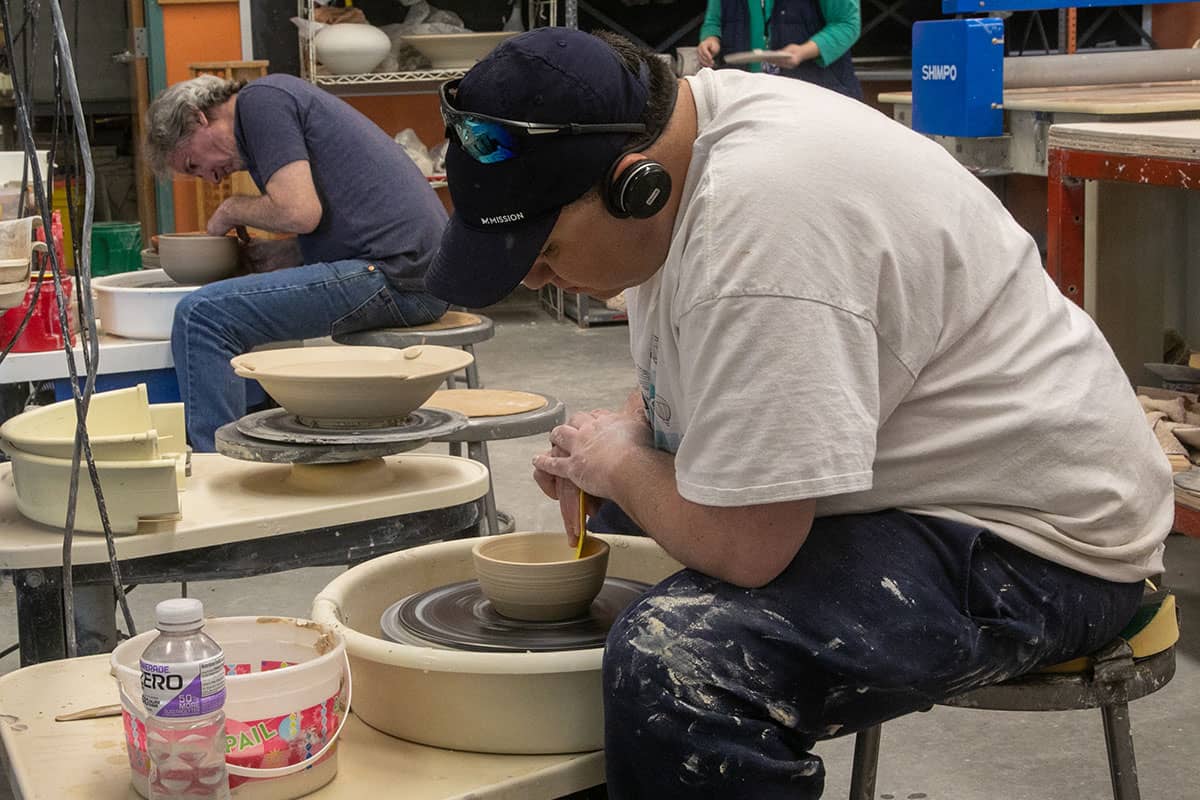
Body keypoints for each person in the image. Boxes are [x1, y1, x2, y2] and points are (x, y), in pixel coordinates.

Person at [424, 28, 1174, 798]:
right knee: (620, 520)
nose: (542, 278)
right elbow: (699, 385)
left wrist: (619, 460)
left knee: (682, 663)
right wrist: (625, 439)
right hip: (926, 478)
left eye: (545, 255)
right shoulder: (689, 144)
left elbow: (750, 547)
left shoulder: (759, 227)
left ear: (633, 183)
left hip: (1042, 541)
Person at [145, 74, 449, 450]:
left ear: (197, 118)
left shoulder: (260, 103)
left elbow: (299, 212)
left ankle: (218, 475)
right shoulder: (268, 105)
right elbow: (339, 218)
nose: (209, 178)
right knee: (223, 307)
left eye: (193, 164)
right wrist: (283, 254)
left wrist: (230, 210)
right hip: (414, 268)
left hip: (400, 276)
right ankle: (265, 448)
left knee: (201, 316)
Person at [696, 0, 862, 99]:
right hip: (746, 95)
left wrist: (804, 51)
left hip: (816, 93)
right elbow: (714, 22)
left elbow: (847, 24)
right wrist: (711, 39)